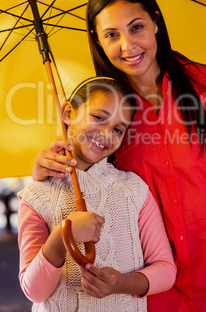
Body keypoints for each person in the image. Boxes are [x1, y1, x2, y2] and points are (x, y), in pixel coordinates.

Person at [31, 0, 206, 312]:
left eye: (136, 27)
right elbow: (82, 177)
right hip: (147, 291)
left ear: (156, 23)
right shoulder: (107, 117)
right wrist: (45, 167)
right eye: (112, 35)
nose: (128, 46)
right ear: (98, 42)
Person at [18, 77, 177, 312]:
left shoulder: (134, 190)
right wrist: (62, 237)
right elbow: (35, 291)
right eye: (99, 117)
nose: (105, 133)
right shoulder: (37, 194)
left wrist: (120, 284)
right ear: (68, 113)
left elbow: (165, 269)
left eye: (117, 129)